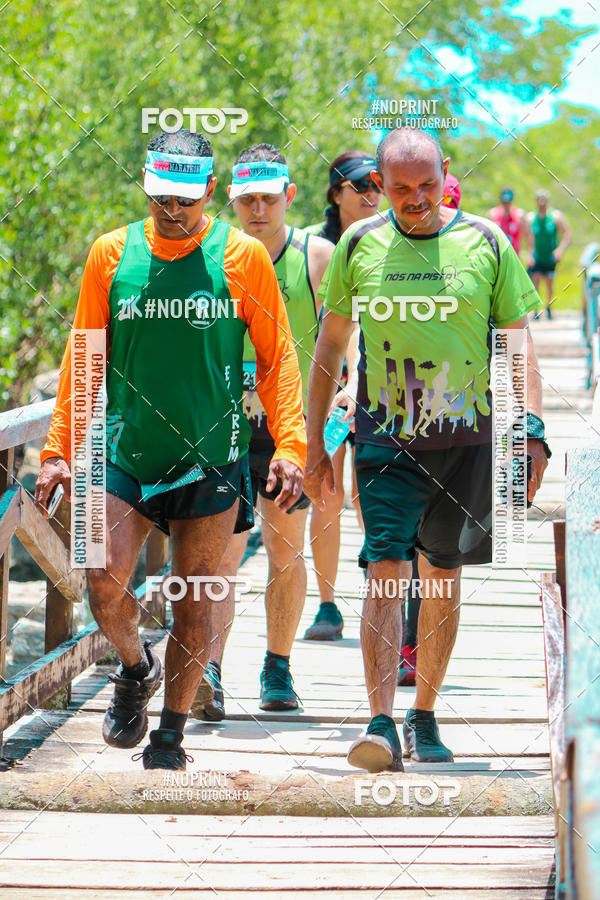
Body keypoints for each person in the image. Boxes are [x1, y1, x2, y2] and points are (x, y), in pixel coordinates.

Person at [34, 128, 306, 771]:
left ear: (209, 191)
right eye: (161, 197)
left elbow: (278, 360)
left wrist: (291, 443)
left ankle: (170, 736)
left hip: (211, 455)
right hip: (120, 451)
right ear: (147, 187)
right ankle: (134, 667)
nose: (173, 210)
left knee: (196, 600)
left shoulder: (242, 258)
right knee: (100, 581)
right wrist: (57, 448)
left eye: (185, 198)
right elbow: (86, 356)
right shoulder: (111, 255)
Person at [304, 126, 549, 772]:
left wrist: (533, 430)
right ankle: (381, 720)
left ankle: (426, 713)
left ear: (447, 175)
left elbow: (517, 346)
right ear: (380, 185)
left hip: (467, 439)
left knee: (442, 578)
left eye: (428, 186)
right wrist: (313, 446)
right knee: (386, 572)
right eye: (401, 189)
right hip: (384, 438)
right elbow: (330, 348)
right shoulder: (359, 244)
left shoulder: (487, 244)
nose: (416, 200)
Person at [190, 144, 333, 720]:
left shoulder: (318, 257)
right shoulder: (208, 256)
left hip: (288, 429)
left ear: (289, 197)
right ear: (229, 199)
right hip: (222, 426)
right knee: (220, 555)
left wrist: (333, 415)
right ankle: (211, 671)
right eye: (246, 199)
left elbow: (347, 342)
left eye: (268, 199)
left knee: (283, 549)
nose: (257, 209)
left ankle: (278, 668)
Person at [302, 152, 383, 641]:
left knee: (364, 495)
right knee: (326, 495)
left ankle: (377, 583)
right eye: (360, 187)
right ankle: (328, 604)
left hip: (378, 388)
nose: (371, 195)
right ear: (336, 192)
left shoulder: (392, 240)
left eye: (377, 185)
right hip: (327, 391)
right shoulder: (314, 247)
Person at [397, 171, 463, 688]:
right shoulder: (380, 254)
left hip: (458, 429)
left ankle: (417, 656)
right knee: (392, 554)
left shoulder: (473, 258)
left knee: (435, 559)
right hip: (390, 426)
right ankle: (402, 648)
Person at [525, 189, 571, 318]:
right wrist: (530, 253)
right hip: (537, 256)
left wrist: (560, 250)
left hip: (550, 256)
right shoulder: (531, 218)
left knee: (549, 281)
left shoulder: (555, 217)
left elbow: (567, 233)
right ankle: (535, 309)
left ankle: (549, 307)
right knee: (535, 280)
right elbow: (529, 237)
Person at [489, 188, 525, 257]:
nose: (507, 205)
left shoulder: (519, 214)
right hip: (498, 256)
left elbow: (527, 236)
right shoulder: (493, 214)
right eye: (504, 202)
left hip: (514, 256)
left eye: (509, 202)